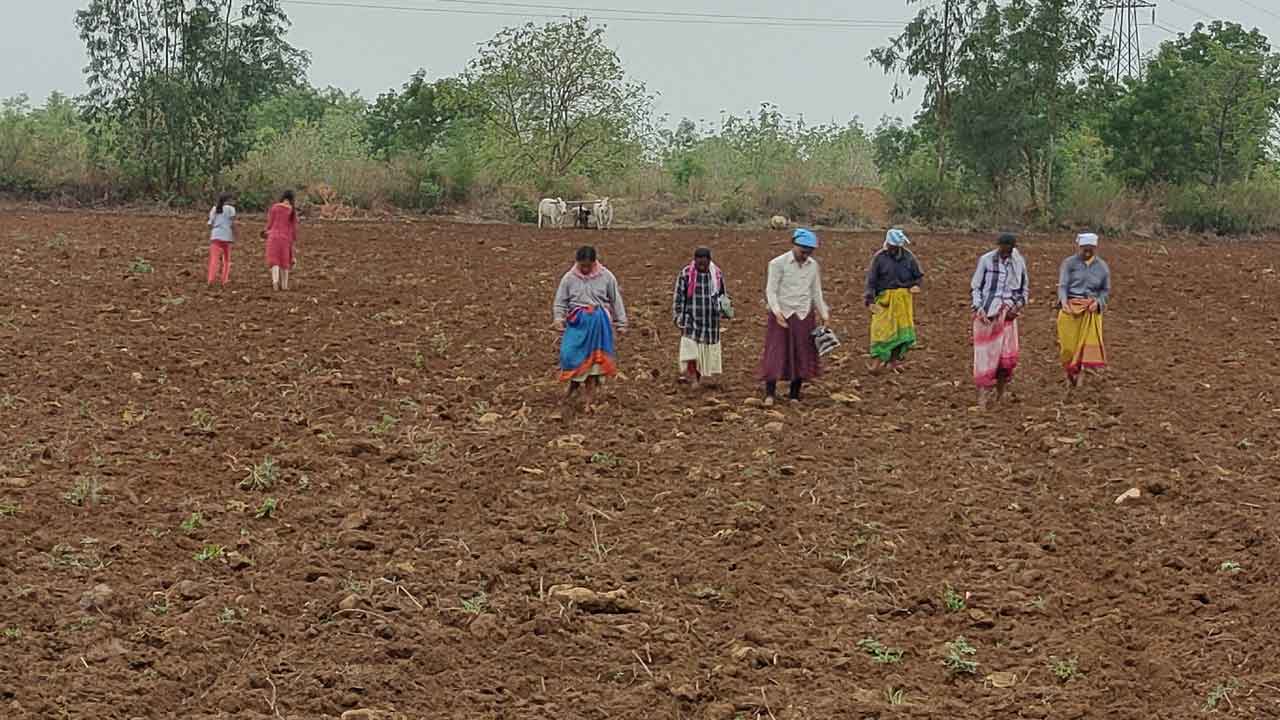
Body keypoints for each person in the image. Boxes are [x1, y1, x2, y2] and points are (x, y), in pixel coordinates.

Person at [758, 228, 829, 405]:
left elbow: (815, 291)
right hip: (783, 313)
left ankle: (795, 394)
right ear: (794, 245)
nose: (805, 255)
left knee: (802, 354)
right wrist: (777, 312)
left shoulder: (813, 266)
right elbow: (771, 291)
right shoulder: (777, 264)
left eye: (809, 252)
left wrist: (824, 313)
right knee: (776, 352)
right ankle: (770, 394)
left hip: (804, 314)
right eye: (802, 251)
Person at [553, 246, 628, 412]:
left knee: (594, 363)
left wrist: (621, 322)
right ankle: (573, 387)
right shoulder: (569, 278)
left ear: (594, 263)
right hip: (577, 323)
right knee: (570, 355)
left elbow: (616, 300)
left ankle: (589, 401)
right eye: (582, 266)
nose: (585, 269)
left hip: (598, 324)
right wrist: (558, 318)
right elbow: (560, 300)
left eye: (588, 265)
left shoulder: (607, 277)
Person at [970, 233, 1029, 406]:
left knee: (1004, 360)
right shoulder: (986, 260)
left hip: (1008, 317)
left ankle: (1000, 396)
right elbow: (976, 287)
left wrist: (1016, 308)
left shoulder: (1018, 263)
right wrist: (978, 307)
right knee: (984, 358)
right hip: (986, 315)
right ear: (998, 245)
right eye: (1003, 247)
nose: (1006, 251)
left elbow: (1023, 291)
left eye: (1009, 248)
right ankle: (982, 397)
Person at [865, 228, 924, 372]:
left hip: (903, 300)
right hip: (884, 299)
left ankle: (894, 362)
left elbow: (918, 276)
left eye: (895, 247)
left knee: (900, 333)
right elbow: (871, 280)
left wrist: (916, 286)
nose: (892, 249)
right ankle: (877, 363)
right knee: (880, 331)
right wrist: (870, 300)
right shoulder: (879, 258)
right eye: (891, 246)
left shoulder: (908, 257)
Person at [1056, 232, 1110, 387]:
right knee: (1068, 348)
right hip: (1071, 309)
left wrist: (1098, 302)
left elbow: (1105, 290)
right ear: (1078, 247)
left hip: (1090, 310)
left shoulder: (1102, 267)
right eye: (1084, 249)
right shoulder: (1069, 263)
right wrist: (1064, 302)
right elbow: (1063, 285)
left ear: (1095, 249)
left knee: (1086, 348)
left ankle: (1080, 380)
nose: (1087, 253)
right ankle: (1069, 374)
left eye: (1090, 250)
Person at [672, 247, 730, 388]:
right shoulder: (686, 274)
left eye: (704, 264)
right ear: (695, 261)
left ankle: (700, 376)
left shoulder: (716, 274)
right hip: (691, 319)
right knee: (691, 351)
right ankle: (693, 379)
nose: (702, 266)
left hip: (710, 320)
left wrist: (725, 310)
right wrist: (678, 316)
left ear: (709, 261)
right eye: (699, 264)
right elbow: (679, 297)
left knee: (705, 351)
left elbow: (722, 295)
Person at [262, 190, 299, 291]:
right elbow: (294, 229)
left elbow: (270, 224)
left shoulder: (274, 208)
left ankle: (275, 283)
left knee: (274, 261)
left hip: (273, 237)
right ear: (292, 199)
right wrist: (294, 241)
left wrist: (265, 231)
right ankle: (284, 285)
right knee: (285, 262)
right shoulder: (292, 211)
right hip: (285, 239)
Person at [206, 193, 236, 286]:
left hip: (215, 236)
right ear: (228, 200)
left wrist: (213, 233)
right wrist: (235, 234)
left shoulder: (214, 209)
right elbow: (232, 223)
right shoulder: (231, 209)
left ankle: (211, 279)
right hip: (226, 236)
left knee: (214, 259)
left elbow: (210, 224)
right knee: (226, 260)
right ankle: (224, 280)